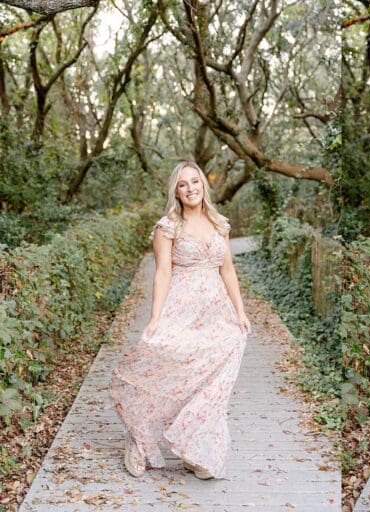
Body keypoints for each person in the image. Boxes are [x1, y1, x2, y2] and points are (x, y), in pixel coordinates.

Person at [110, 161, 250, 480]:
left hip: (216, 315)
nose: (190, 188)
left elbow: (227, 270)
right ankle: (139, 439)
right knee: (170, 371)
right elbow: (162, 273)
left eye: (195, 181)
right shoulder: (167, 226)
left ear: (203, 185)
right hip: (181, 309)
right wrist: (156, 317)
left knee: (209, 380)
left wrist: (240, 312)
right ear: (176, 190)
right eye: (183, 184)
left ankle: (196, 447)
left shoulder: (219, 224)